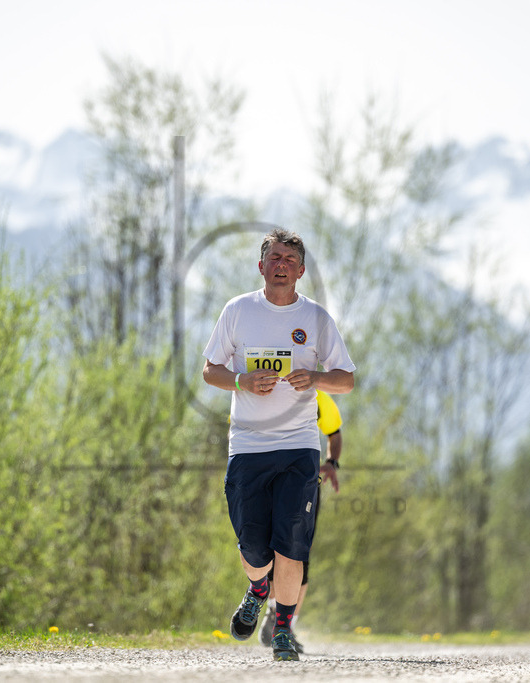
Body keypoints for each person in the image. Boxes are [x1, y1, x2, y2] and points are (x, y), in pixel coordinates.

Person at [202, 227, 355, 662]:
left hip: (299, 446)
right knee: (253, 547)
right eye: (275, 258)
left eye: (290, 259)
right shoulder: (238, 311)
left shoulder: (317, 319)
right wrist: (242, 381)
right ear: (261, 266)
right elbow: (210, 370)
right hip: (248, 446)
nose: (282, 265)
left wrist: (317, 378)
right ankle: (257, 588)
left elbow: (345, 380)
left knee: (291, 544)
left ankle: (283, 628)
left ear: (301, 270)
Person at [257, 389, 343, 653]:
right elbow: (236, 426)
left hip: (304, 480)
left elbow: (334, 432)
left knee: (298, 552)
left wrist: (331, 463)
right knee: (264, 547)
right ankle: (271, 609)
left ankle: (285, 624)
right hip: (265, 477)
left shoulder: (317, 395)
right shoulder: (262, 387)